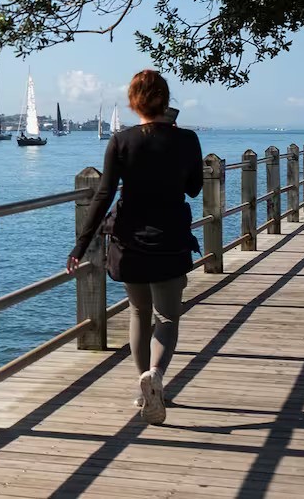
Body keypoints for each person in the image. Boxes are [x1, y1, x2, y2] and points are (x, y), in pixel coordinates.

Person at [69, 70, 202, 425]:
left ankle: (144, 386)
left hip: (129, 241)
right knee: (168, 317)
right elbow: (194, 188)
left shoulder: (121, 141)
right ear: (166, 99)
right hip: (170, 239)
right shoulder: (187, 140)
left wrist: (81, 245)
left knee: (139, 312)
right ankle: (156, 376)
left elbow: (104, 193)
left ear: (133, 102)